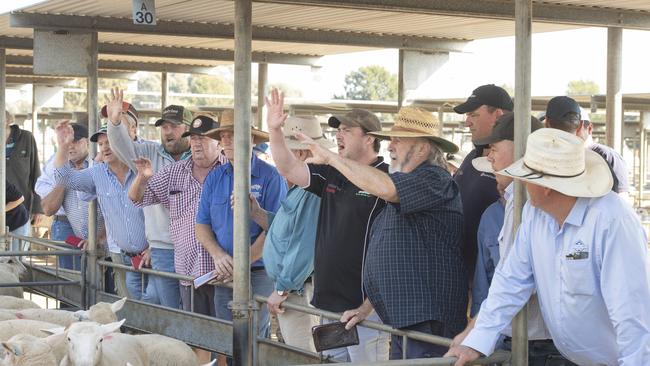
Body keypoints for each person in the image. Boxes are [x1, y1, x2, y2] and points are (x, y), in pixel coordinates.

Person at [446, 128, 650, 366]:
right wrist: (476, 342)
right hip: (573, 358)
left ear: (545, 186)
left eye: (525, 176)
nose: (520, 182)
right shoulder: (535, 213)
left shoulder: (612, 220)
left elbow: (632, 312)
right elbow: (511, 281)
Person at [296, 106, 467, 359]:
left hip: (427, 318)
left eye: (398, 140)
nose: (389, 146)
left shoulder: (434, 179)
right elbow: (395, 257)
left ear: (422, 148)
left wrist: (332, 158)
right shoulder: (408, 186)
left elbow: (387, 188)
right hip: (405, 317)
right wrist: (366, 308)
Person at [266, 89, 390, 362]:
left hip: (364, 307)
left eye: (347, 130)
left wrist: (369, 305)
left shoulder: (385, 179)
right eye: (338, 130)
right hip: (328, 303)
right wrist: (274, 131)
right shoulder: (333, 170)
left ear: (369, 139)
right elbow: (289, 168)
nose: (338, 135)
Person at [454, 113, 568, 365]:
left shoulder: (527, 202)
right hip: (528, 339)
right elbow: (508, 280)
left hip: (538, 345)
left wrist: (475, 334)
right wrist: (477, 333)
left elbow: (515, 282)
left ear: (521, 149)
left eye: (494, 147)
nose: (489, 156)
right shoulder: (516, 203)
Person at [128, 114, 226, 364]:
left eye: (202, 138)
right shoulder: (174, 172)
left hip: (226, 272)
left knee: (227, 339)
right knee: (198, 337)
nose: (196, 144)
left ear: (218, 142)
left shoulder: (232, 170)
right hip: (190, 271)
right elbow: (136, 198)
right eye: (192, 139)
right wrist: (143, 176)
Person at [196, 109, 286, 339]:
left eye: (232, 134)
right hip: (226, 270)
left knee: (254, 336)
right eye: (222, 135)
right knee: (227, 336)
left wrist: (242, 261)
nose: (225, 140)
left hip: (259, 271)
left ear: (252, 139)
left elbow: (276, 229)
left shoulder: (271, 177)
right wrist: (217, 255)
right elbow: (202, 225)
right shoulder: (215, 177)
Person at [247, 116, 333, 352]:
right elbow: (288, 231)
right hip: (294, 290)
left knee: (303, 356)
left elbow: (305, 244)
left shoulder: (312, 191)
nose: (278, 161)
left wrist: (282, 288)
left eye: (284, 153)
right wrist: (257, 213)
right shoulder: (302, 188)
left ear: (302, 154)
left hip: (297, 290)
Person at [106, 88, 192, 309]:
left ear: (188, 130)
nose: (167, 131)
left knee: (196, 309)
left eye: (174, 126)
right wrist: (114, 123)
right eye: (164, 127)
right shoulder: (149, 153)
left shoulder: (199, 158)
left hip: (195, 247)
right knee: (170, 308)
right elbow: (122, 146)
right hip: (163, 247)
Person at [53, 122, 150, 301]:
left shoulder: (144, 168)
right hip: (122, 256)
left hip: (153, 256)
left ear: (122, 142)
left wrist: (155, 247)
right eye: (101, 144)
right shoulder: (97, 173)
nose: (105, 147)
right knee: (131, 310)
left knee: (159, 306)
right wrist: (63, 146)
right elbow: (64, 178)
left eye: (109, 142)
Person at [453, 85, 513, 279]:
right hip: (465, 273)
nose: (467, 122)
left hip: (495, 275)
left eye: (473, 114)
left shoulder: (518, 162)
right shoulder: (473, 156)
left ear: (497, 114)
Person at [542, 96, 629, 197]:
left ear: (589, 128)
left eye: (573, 123)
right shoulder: (559, 157)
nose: (567, 130)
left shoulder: (608, 156)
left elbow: (621, 199)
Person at [36, 123, 91, 270]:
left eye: (76, 141)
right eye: (67, 141)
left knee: (100, 278)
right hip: (65, 223)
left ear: (87, 142)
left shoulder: (97, 163)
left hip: (97, 226)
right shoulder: (54, 163)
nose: (71, 146)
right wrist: (64, 176)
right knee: (70, 277)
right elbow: (46, 202)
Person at [5, 111, 43, 243]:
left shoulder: (26, 138)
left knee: (19, 258)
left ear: (6, 121)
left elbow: (35, 172)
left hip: (22, 209)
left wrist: (39, 208)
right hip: (3, 209)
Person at [5, 180, 30, 252]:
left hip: (17, 221)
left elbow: (19, 198)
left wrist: (1, 211)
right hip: (3, 226)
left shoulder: (2, 182)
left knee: (16, 258)